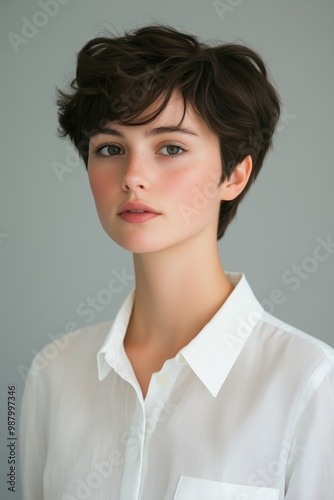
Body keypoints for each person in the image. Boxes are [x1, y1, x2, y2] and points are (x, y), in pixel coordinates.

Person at [20, 24, 334, 500]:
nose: (133, 177)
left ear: (234, 174)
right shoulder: (54, 374)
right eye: (110, 148)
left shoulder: (310, 382)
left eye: (170, 147)